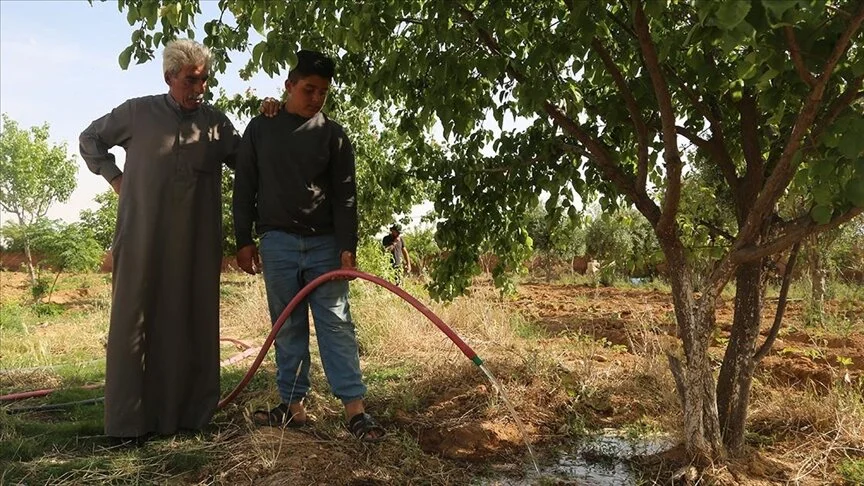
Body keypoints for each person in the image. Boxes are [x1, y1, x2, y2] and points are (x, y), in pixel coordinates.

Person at [79, 39, 240, 440]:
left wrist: (272, 117)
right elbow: (90, 138)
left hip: (196, 247)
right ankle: (127, 425)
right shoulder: (137, 113)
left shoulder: (217, 124)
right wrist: (116, 177)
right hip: (142, 240)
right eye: (191, 80)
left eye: (204, 80)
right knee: (134, 321)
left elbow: (251, 161)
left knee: (193, 322)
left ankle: (189, 418)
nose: (199, 89)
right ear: (169, 77)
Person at [232, 50, 385, 441]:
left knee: (337, 325)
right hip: (277, 242)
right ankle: (293, 408)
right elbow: (244, 185)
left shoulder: (334, 136)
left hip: (325, 245)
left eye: (323, 92)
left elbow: (346, 196)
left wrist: (347, 245)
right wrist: (244, 239)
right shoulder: (260, 128)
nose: (315, 98)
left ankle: (355, 412)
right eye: (308, 89)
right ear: (288, 85)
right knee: (287, 327)